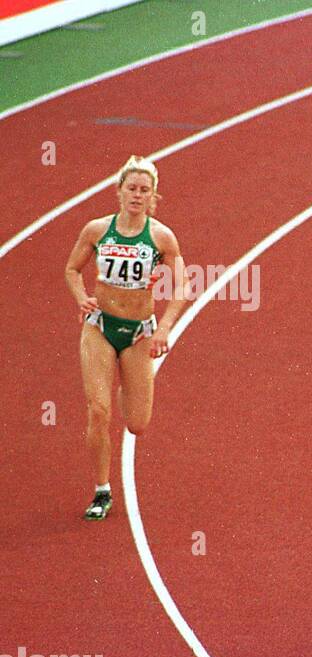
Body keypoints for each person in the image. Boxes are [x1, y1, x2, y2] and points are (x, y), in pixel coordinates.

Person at [64, 155, 185, 520]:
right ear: (118, 192)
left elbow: (182, 286)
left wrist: (164, 328)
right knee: (98, 411)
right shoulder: (97, 230)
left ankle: (127, 386)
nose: (136, 194)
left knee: (137, 423)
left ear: (153, 197)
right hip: (99, 327)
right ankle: (102, 490)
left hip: (137, 336)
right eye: (131, 188)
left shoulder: (162, 237)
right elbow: (71, 268)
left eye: (144, 190)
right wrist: (80, 295)